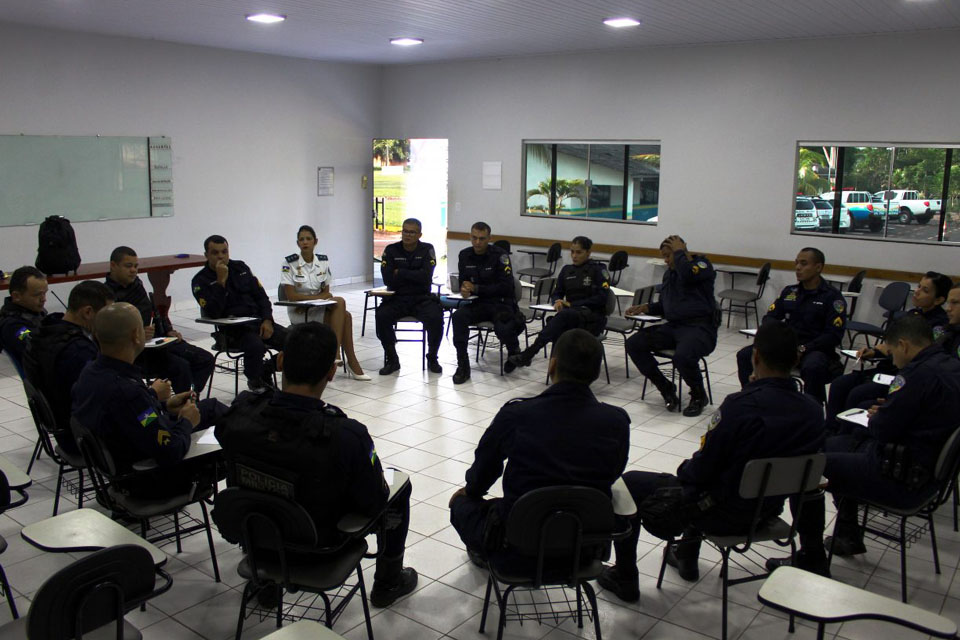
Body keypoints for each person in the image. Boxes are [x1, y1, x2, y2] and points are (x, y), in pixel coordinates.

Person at [599, 324, 825, 602]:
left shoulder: (741, 406)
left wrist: (684, 470)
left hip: (722, 513)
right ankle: (686, 555)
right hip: (766, 510)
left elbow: (702, 469)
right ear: (797, 359)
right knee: (717, 479)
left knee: (630, 483)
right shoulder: (814, 411)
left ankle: (625, 577)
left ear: (755, 357)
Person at [215, 322, 418, 607]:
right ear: (332, 372)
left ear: (281, 362)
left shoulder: (241, 413)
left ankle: (265, 584)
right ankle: (388, 581)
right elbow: (373, 502)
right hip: (321, 548)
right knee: (400, 488)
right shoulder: (346, 436)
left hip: (257, 541)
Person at [767, 314, 960, 569]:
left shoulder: (916, 375)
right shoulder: (950, 365)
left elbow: (882, 429)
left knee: (806, 466)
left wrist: (882, 414)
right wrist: (892, 409)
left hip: (900, 475)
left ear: (903, 344)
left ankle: (811, 558)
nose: (893, 359)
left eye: (892, 352)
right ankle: (848, 534)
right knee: (830, 445)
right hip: (926, 470)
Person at [449, 329, 630, 563]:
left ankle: (486, 553)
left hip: (516, 546)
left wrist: (471, 492)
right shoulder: (616, 421)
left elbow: (485, 466)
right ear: (596, 372)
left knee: (461, 503)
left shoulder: (516, 415)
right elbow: (614, 471)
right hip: (583, 548)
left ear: (552, 365)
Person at [72, 303, 226, 498]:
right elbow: (170, 450)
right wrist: (187, 422)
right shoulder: (127, 391)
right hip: (149, 480)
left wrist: (164, 406)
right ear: (137, 335)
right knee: (229, 425)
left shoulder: (90, 372)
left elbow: (133, 418)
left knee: (211, 408)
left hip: (122, 464)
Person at [826, 271, 952, 424]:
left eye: (925, 290)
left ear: (938, 299)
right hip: (886, 367)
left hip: (903, 375)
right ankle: (830, 428)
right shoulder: (912, 314)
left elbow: (919, 356)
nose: (917, 292)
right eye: (918, 286)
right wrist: (873, 351)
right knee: (840, 384)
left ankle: (844, 434)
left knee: (857, 394)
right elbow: (889, 344)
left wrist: (890, 350)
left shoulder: (939, 325)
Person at [624, 235, 717, 417]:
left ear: (681, 250)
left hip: (700, 328)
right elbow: (668, 306)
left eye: (669, 256)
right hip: (675, 327)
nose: (666, 261)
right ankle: (665, 387)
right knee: (634, 343)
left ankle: (698, 395)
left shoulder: (702, 266)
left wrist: (680, 252)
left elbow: (689, 274)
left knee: (682, 356)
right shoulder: (671, 274)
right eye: (664, 257)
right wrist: (646, 307)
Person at [736, 248, 845, 403]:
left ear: (818, 267)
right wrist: (774, 338)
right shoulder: (790, 292)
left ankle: (812, 406)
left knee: (813, 366)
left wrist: (803, 348)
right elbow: (770, 318)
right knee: (746, 355)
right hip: (787, 347)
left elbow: (833, 335)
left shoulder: (832, 297)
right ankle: (752, 399)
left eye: (804, 263)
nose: (798, 268)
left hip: (814, 349)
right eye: (796, 263)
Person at [106, 246, 216, 393]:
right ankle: (182, 406)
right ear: (113, 265)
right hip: (138, 352)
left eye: (136, 266)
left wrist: (168, 330)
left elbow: (153, 313)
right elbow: (109, 335)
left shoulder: (137, 285)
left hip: (160, 341)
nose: (133, 270)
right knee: (181, 367)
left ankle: (188, 400)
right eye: (128, 266)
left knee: (205, 359)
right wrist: (137, 337)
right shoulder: (107, 296)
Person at [22, 281, 114, 455]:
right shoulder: (78, 351)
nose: (110, 322)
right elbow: (101, 401)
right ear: (87, 312)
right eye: (107, 315)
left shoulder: (44, 332)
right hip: (85, 439)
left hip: (65, 429)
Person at [191, 234, 288, 393]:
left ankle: (266, 369)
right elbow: (213, 312)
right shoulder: (200, 280)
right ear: (206, 255)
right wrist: (221, 282)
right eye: (215, 253)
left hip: (257, 322)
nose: (221, 256)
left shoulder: (240, 268)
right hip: (232, 330)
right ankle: (255, 381)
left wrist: (267, 320)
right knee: (255, 345)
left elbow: (261, 297)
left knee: (295, 340)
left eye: (224, 251)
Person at [280, 225, 369, 380]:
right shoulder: (290, 263)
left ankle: (343, 358)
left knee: (344, 313)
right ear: (297, 243)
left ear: (315, 241)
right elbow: (291, 296)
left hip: (318, 308)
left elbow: (327, 292)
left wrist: (318, 299)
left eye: (308, 239)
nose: (305, 242)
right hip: (299, 311)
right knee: (343, 312)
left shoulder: (322, 261)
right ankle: (347, 360)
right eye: (301, 239)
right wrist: (314, 299)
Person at [508, 236, 610, 370]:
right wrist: (556, 301)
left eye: (578, 252)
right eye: (572, 252)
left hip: (592, 318)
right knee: (557, 324)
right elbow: (557, 292)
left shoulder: (598, 270)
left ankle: (531, 353)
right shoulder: (567, 270)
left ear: (588, 253)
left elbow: (602, 298)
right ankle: (560, 370)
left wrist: (572, 304)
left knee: (558, 321)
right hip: (572, 317)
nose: (574, 256)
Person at [450, 222, 524, 384]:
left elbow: (505, 287)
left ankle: (514, 352)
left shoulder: (500, 255)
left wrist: (476, 288)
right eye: (474, 238)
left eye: (482, 239)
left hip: (501, 303)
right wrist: (464, 288)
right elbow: (464, 279)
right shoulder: (464, 255)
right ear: (470, 237)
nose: (477, 242)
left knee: (504, 326)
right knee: (458, 317)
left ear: (489, 239)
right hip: (479, 303)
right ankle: (463, 365)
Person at [375, 218, 443, 375]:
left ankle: (432, 357)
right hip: (397, 297)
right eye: (405, 231)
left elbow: (427, 277)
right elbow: (388, 279)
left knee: (436, 316)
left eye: (412, 232)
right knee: (382, 315)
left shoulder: (427, 249)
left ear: (419, 234)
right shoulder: (391, 250)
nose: (407, 235)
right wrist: (414, 275)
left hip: (422, 298)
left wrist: (401, 272)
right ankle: (392, 359)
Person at [0, 266, 48, 372]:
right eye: (37, 295)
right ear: (16, 296)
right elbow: (35, 346)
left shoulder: (36, 313)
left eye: (45, 293)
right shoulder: (13, 326)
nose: (44, 299)